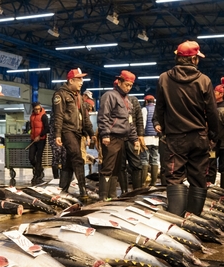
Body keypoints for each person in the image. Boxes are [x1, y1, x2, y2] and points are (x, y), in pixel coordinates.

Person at [153, 41, 219, 216]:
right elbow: (212, 112)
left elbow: (159, 109)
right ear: (194, 59)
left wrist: (166, 130)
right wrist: (213, 134)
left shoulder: (164, 79)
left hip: (175, 138)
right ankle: (194, 220)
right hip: (199, 137)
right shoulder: (204, 81)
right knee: (199, 178)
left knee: (174, 177)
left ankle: (177, 220)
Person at [97, 70, 141, 200]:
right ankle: (103, 197)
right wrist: (105, 134)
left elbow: (130, 121)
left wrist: (135, 139)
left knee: (117, 168)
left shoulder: (127, 100)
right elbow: (103, 116)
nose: (128, 88)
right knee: (108, 167)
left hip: (122, 138)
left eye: (130, 86)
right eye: (126, 84)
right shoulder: (109, 95)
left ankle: (111, 195)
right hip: (111, 137)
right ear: (119, 82)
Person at [52, 68, 95, 198]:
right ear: (71, 80)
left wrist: (91, 133)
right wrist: (58, 134)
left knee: (70, 160)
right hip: (66, 130)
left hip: (77, 132)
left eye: (82, 79)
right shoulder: (60, 95)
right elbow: (58, 115)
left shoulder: (79, 96)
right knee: (77, 157)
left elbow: (85, 117)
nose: (81, 82)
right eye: (79, 79)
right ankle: (83, 189)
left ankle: (63, 188)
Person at [212, 84, 224, 189]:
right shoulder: (212, 106)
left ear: (221, 94)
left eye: (215, 91)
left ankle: (223, 190)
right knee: (210, 164)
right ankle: (209, 186)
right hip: (213, 143)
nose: (213, 93)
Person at [141, 95, 160, 187]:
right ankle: (153, 183)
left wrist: (140, 135)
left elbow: (143, 123)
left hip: (146, 138)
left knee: (144, 159)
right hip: (156, 138)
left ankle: (143, 182)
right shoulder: (157, 109)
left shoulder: (145, 109)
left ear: (146, 101)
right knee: (155, 160)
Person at [29, 102, 49, 185]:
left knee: (39, 157)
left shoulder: (44, 116)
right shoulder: (32, 116)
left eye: (38, 109)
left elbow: (47, 128)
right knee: (31, 157)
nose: (37, 110)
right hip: (33, 139)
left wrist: (40, 135)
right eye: (35, 109)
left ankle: (37, 175)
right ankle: (39, 169)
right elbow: (31, 127)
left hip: (41, 140)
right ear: (33, 109)